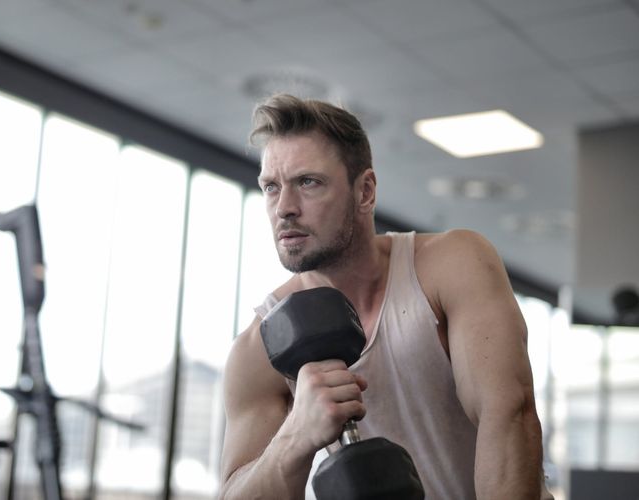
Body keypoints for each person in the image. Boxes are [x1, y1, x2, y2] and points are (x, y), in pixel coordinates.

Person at [219, 94, 551, 500]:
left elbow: (508, 415)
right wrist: (295, 437)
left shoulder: (452, 265)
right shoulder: (259, 348)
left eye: (308, 182)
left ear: (365, 192)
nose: (284, 208)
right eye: (271, 187)